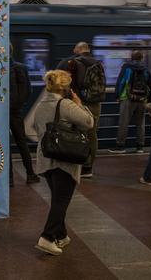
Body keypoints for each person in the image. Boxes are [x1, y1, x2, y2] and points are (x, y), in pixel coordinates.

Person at [33, 70, 93, 256]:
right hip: (64, 160)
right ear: (66, 88)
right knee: (61, 202)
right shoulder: (66, 104)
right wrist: (80, 105)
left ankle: (61, 235)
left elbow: (36, 128)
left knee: (58, 199)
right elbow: (89, 122)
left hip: (46, 159)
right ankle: (47, 237)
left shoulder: (41, 105)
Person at [57, 42, 105, 177]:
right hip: (95, 103)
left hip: (78, 102)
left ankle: (77, 164)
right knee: (92, 134)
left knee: (77, 133)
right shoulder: (98, 63)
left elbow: (66, 84)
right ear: (87, 50)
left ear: (78, 50)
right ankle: (88, 168)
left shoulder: (72, 62)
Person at [110, 50, 151, 154]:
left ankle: (120, 146)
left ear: (131, 58)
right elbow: (150, 85)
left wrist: (117, 95)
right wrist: (150, 99)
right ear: (141, 58)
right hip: (142, 100)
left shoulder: (127, 67)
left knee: (124, 123)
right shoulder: (146, 68)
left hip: (127, 98)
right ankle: (140, 147)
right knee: (140, 123)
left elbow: (121, 82)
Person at [9, 44, 39, 185]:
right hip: (16, 112)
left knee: (4, 145)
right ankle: (30, 174)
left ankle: (9, 178)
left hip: (1, 114)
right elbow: (28, 91)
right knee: (22, 143)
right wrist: (19, 106)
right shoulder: (21, 67)